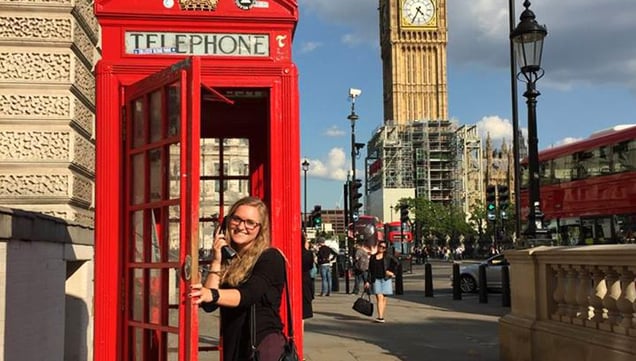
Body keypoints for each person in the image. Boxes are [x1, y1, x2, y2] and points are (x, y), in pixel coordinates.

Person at [189, 196, 286, 361]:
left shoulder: (270, 258)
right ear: (227, 221)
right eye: (237, 219)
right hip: (233, 345)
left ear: (260, 228)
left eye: (250, 222)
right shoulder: (230, 260)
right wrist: (217, 259)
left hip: (261, 347)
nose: (241, 226)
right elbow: (208, 306)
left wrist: (210, 294)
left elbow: (248, 295)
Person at [365, 240, 399, 323]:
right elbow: (370, 270)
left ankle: (381, 315)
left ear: (385, 249)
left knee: (384, 298)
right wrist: (367, 281)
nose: (381, 248)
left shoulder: (388, 256)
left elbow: (397, 263)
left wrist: (392, 272)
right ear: (378, 246)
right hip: (376, 279)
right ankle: (380, 317)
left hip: (386, 279)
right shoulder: (373, 257)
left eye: (383, 247)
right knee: (379, 297)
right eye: (380, 246)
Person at [301, 233, 314, 320]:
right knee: (303, 316)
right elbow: (310, 266)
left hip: (295, 284)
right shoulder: (308, 254)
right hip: (305, 284)